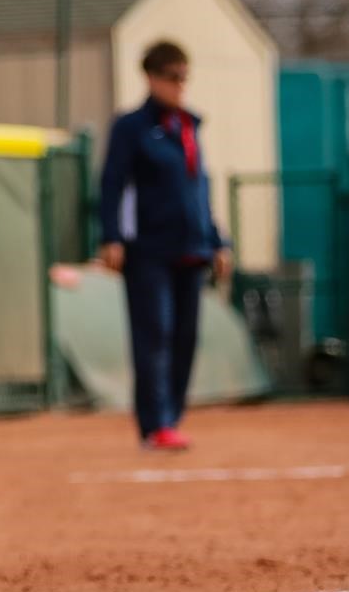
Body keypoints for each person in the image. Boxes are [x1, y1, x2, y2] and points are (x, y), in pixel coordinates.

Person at [96, 40, 232, 452]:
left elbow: (199, 189)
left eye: (183, 77)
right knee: (154, 334)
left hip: (191, 248)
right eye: (171, 77)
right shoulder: (132, 127)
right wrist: (111, 237)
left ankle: (171, 418)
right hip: (149, 251)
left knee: (185, 338)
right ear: (151, 78)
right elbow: (112, 185)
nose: (179, 86)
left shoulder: (188, 127)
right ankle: (154, 425)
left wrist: (218, 241)